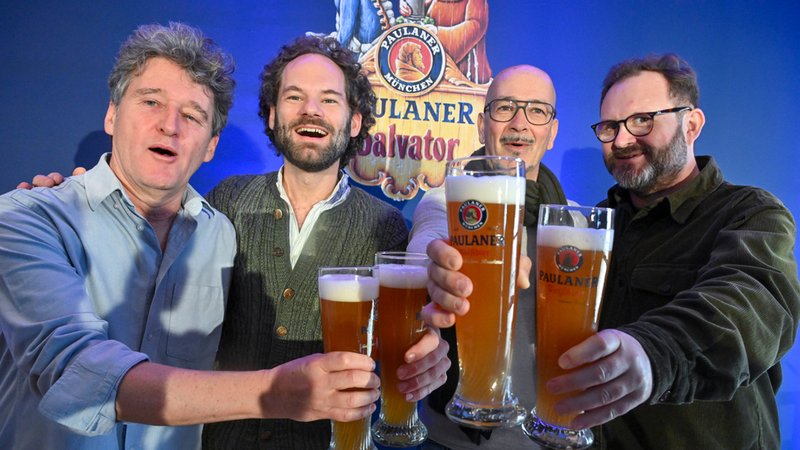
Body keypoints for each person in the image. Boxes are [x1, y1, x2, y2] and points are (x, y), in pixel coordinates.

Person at [0, 23, 383, 450]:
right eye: (151, 102)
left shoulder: (218, 230)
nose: (170, 126)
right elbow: (76, 371)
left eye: (193, 116)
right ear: (111, 114)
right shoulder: (28, 217)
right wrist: (274, 392)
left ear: (210, 146)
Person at [423, 53, 800, 449]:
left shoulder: (749, 213)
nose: (621, 140)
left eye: (642, 120)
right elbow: (431, 232)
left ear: (691, 123)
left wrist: (653, 353)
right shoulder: (590, 224)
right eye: (609, 127)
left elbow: (752, 304)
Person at [200, 35, 450, 449]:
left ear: (354, 121)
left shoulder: (387, 226)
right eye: (294, 97)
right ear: (271, 114)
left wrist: (427, 355)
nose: (310, 110)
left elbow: (402, 341)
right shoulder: (226, 200)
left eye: (329, 99)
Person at [408, 64, 565, 449]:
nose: (519, 124)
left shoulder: (570, 222)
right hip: (448, 439)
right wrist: (434, 273)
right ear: (482, 126)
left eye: (537, 111)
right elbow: (427, 246)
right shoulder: (445, 201)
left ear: (552, 132)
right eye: (505, 108)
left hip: (543, 439)